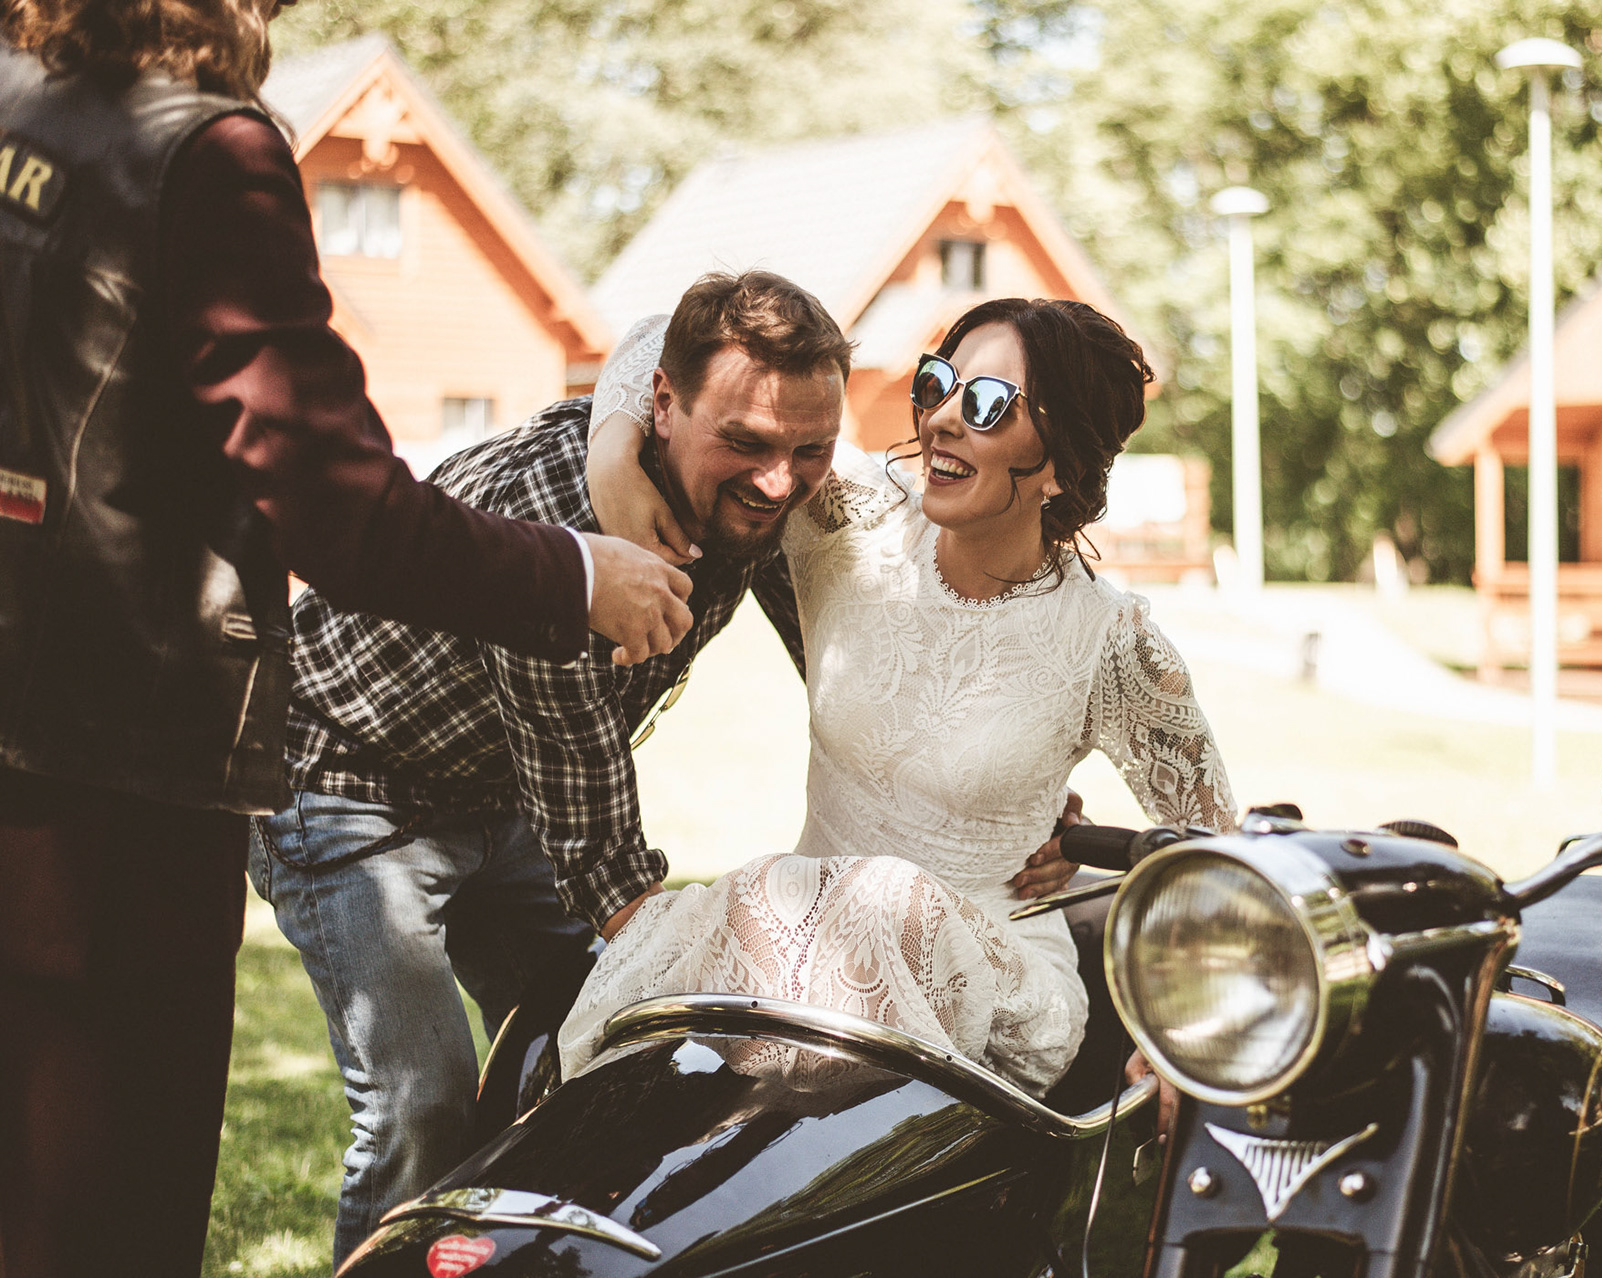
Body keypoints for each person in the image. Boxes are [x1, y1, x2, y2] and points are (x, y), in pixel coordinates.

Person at [0, 4, 691, 1276]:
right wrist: (573, 571)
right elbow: (336, 501)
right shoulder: (206, 153)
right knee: (110, 1202)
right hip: (121, 772)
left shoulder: (17, 104)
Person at [256, 272, 1080, 1265]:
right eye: (747, 443)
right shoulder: (559, 520)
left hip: (498, 794)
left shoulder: (758, 495)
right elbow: (598, 849)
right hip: (348, 785)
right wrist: (754, 960)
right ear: (663, 403)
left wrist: (996, 793)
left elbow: (862, 667)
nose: (779, 481)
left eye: (808, 450)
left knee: (591, 1064)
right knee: (420, 1100)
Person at [560, 297, 1237, 1096]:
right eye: (938, 383)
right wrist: (613, 455)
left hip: (994, 978)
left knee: (889, 898)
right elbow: (661, 337)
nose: (942, 418)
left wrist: (1183, 1040)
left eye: (988, 404)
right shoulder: (851, 521)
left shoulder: (1111, 640)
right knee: (746, 928)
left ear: (1061, 463)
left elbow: (1219, 859)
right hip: (799, 951)